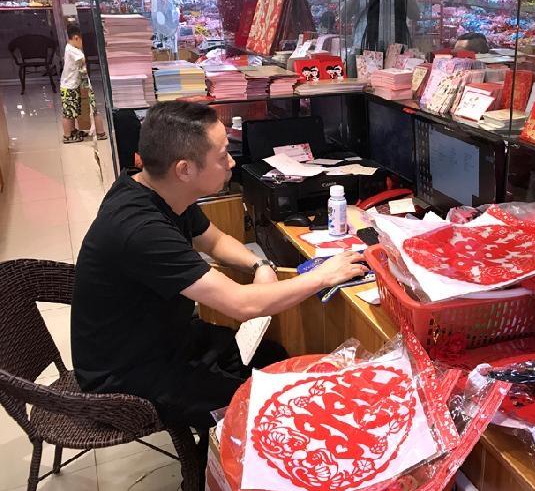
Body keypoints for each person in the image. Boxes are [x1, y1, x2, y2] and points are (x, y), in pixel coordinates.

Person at [71, 101, 368, 433]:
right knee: (260, 407)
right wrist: (323, 275)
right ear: (184, 169)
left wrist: (260, 264)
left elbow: (214, 241)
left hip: (166, 339)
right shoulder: (140, 229)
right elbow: (242, 304)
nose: (231, 162)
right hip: (125, 374)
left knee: (271, 355)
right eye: (223, 155)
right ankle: (218, 457)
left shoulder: (161, 191)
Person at [60, 23, 107, 143]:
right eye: (82, 41)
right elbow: (83, 63)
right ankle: (68, 135)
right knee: (71, 112)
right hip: (71, 86)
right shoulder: (73, 50)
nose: (82, 44)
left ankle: (72, 131)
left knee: (71, 112)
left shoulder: (69, 48)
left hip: (71, 85)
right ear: (76, 38)